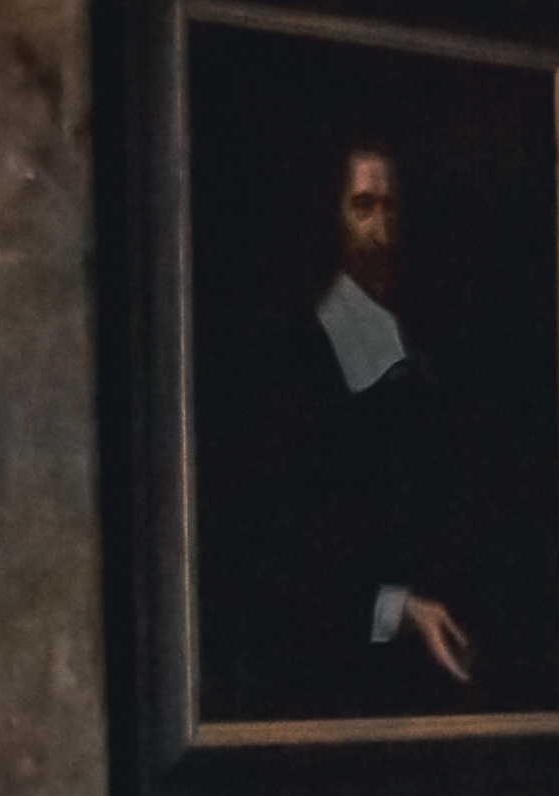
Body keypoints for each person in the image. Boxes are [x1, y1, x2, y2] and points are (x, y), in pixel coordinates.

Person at [203, 138, 521, 721]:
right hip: (335, 682)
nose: (380, 227)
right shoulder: (300, 359)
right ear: (333, 217)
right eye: (362, 206)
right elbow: (278, 554)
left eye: (390, 208)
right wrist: (397, 609)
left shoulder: (426, 342)